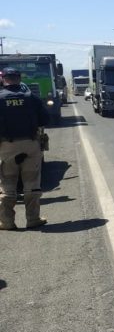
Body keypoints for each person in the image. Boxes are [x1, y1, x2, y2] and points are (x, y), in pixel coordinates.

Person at [0, 67, 50, 230]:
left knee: (7, 184)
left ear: (3, 79)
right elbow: (45, 119)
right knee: (32, 183)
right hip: (30, 144)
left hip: (6, 146)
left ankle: (7, 222)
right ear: (19, 78)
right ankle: (33, 219)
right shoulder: (31, 97)